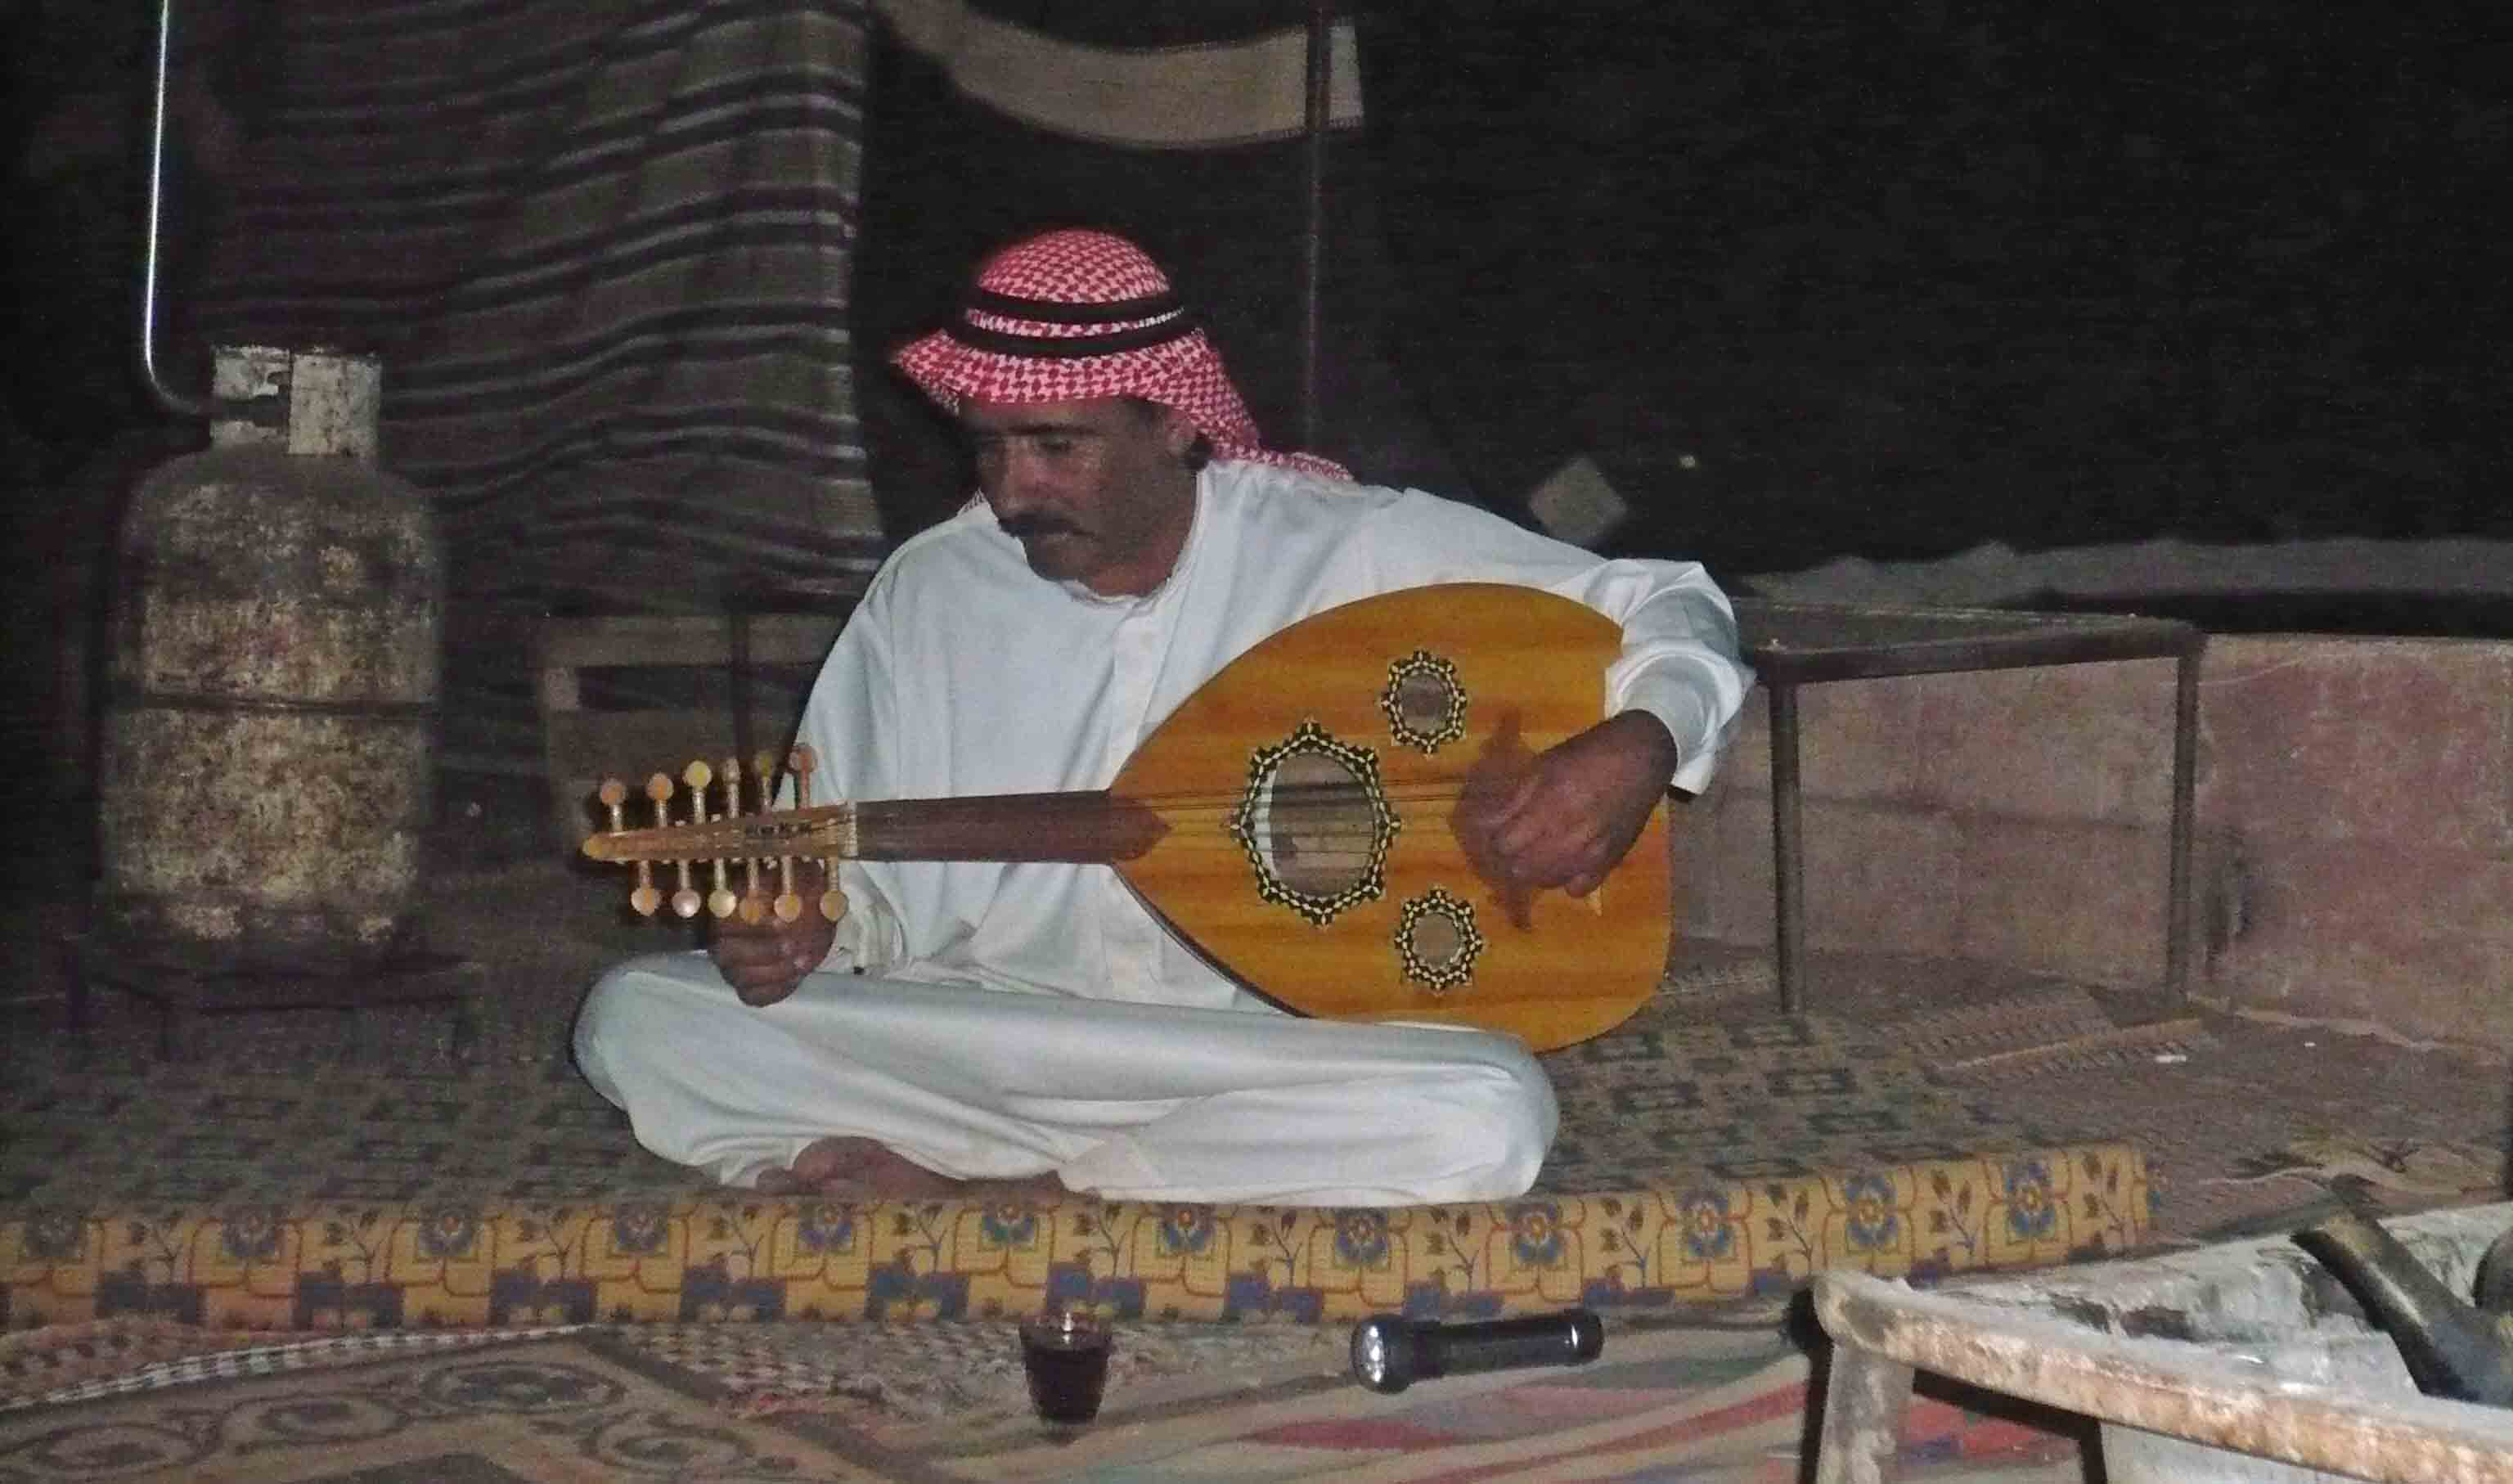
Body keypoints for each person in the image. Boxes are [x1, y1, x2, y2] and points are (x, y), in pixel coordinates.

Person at [573, 228, 1754, 1207]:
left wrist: (1642, 741)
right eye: (990, 447)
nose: (1013, 490)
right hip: (986, 1032)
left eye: (1058, 446)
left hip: (1254, 1047)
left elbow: (1674, 602)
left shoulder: (1347, 549)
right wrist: (803, 927)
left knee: (1487, 1107)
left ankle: (1026, 1193)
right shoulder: (931, 592)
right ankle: (1118, 1174)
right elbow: (856, 875)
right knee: (637, 1018)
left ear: (1177, 425)